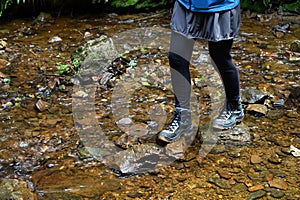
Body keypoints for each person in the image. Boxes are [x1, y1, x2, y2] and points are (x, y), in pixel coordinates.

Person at [158, 0, 244, 143]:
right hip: (186, 4)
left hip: (220, 6)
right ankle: (183, 118)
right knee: (177, 58)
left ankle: (234, 107)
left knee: (219, 58)